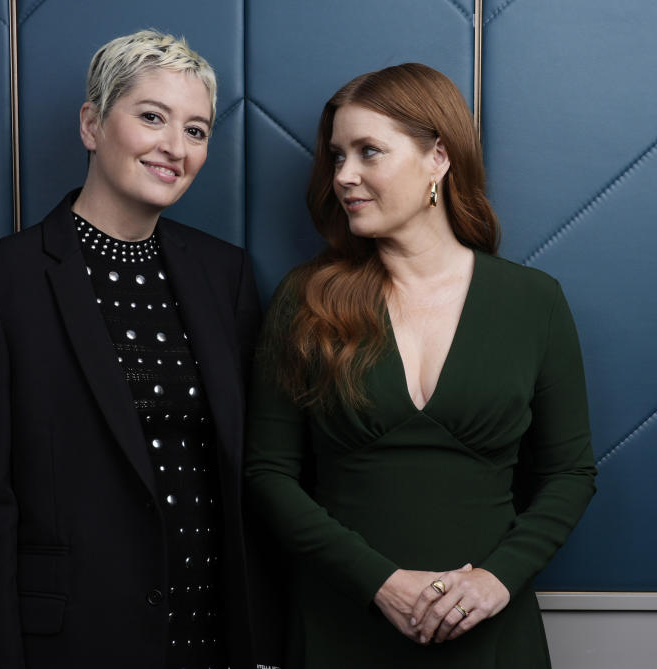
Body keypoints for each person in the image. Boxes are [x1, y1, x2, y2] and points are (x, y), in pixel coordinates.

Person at [0, 30, 280, 669]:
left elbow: (247, 474)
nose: (175, 148)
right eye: (152, 117)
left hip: (213, 636)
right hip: (72, 642)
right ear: (92, 124)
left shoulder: (224, 273)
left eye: (197, 130)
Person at [244, 62, 597, 668]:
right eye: (336, 157)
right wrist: (381, 582)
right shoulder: (304, 297)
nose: (344, 177)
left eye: (368, 152)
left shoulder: (534, 301)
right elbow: (268, 472)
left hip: (488, 628)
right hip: (340, 624)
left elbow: (571, 473)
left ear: (438, 157)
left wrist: (494, 581)